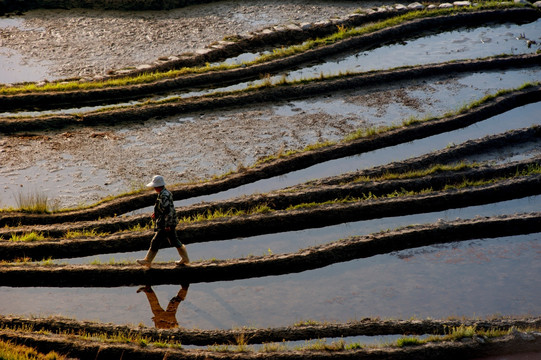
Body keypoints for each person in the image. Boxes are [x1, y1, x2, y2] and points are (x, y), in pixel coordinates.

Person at [137, 175, 189, 268]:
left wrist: (167, 225)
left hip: (166, 223)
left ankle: (147, 260)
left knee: (156, 241)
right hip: (168, 222)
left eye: (154, 187)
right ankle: (185, 258)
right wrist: (156, 213)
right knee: (174, 241)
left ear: (157, 186)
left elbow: (168, 211)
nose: (154, 188)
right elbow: (164, 209)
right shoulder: (164, 193)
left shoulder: (164, 195)